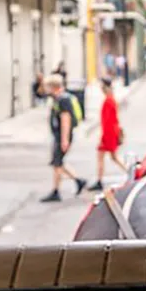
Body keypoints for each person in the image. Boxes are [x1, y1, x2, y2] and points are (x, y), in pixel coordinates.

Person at [40, 74, 88, 203]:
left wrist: (64, 139)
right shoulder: (59, 98)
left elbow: (65, 119)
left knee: (57, 163)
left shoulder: (63, 100)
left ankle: (56, 191)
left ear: (53, 87)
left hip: (62, 136)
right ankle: (78, 181)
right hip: (59, 135)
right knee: (57, 163)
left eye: (47, 87)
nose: (46, 90)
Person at [89, 77, 127, 191]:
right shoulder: (111, 100)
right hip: (111, 132)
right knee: (113, 157)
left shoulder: (109, 101)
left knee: (102, 156)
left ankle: (100, 180)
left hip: (109, 133)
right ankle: (129, 172)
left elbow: (107, 121)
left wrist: (104, 137)